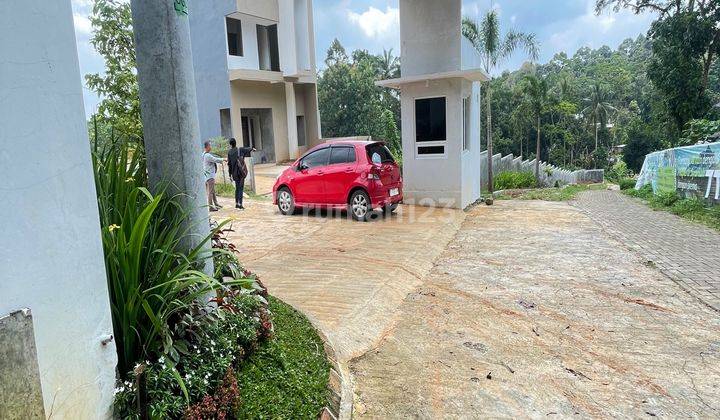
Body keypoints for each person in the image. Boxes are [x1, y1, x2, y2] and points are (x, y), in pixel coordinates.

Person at [227, 138, 255, 209]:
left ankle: (236, 203)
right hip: (241, 172)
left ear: (230, 144)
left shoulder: (229, 153)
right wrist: (252, 148)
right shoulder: (240, 149)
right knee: (241, 188)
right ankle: (240, 204)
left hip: (234, 173)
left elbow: (229, 164)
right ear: (235, 143)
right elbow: (248, 149)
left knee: (237, 188)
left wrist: (230, 174)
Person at [202, 141, 224, 211]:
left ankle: (216, 204)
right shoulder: (207, 155)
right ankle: (210, 207)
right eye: (210, 146)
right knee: (210, 192)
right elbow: (215, 159)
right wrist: (224, 159)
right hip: (210, 176)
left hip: (207, 176)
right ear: (207, 147)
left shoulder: (203, 154)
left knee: (212, 191)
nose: (211, 147)